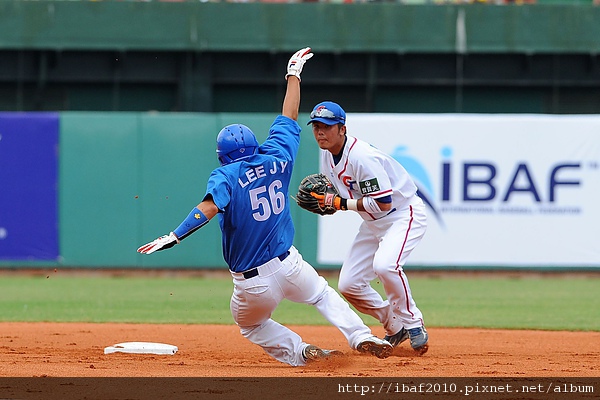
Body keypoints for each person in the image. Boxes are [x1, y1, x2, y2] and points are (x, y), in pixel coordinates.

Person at [137, 48, 393, 367]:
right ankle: (362, 335)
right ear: (254, 145)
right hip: (290, 264)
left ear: (222, 155)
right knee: (323, 295)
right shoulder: (276, 156)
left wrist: (177, 235)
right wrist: (293, 75)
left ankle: (302, 351)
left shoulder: (226, 174)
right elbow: (289, 114)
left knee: (251, 325)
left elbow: (210, 206)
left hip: (252, 283)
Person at [306, 100, 429, 354]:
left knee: (385, 265)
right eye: (316, 126)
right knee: (348, 285)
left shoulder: (362, 157)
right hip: (372, 222)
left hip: (402, 214)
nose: (320, 132)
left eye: (327, 126)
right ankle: (395, 326)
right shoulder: (328, 157)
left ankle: (413, 322)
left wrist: (339, 203)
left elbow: (383, 203)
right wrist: (329, 203)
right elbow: (345, 198)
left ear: (342, 128)